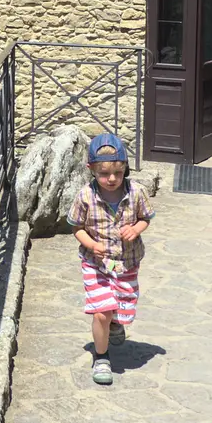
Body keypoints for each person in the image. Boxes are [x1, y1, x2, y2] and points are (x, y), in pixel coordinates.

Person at [68, 132, 153, 386]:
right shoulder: (85, 196)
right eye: (104, 174)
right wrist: (92, 244)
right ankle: (101, 357)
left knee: (121, 306)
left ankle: (116, 323)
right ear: (91, 169)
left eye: (117, 172)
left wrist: (136, 229)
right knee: (101, 312)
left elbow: (145, 217)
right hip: (96, 264)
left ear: (125, 167)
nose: (112, 179)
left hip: (127, 262)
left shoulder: (136, 192)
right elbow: (76, 227)